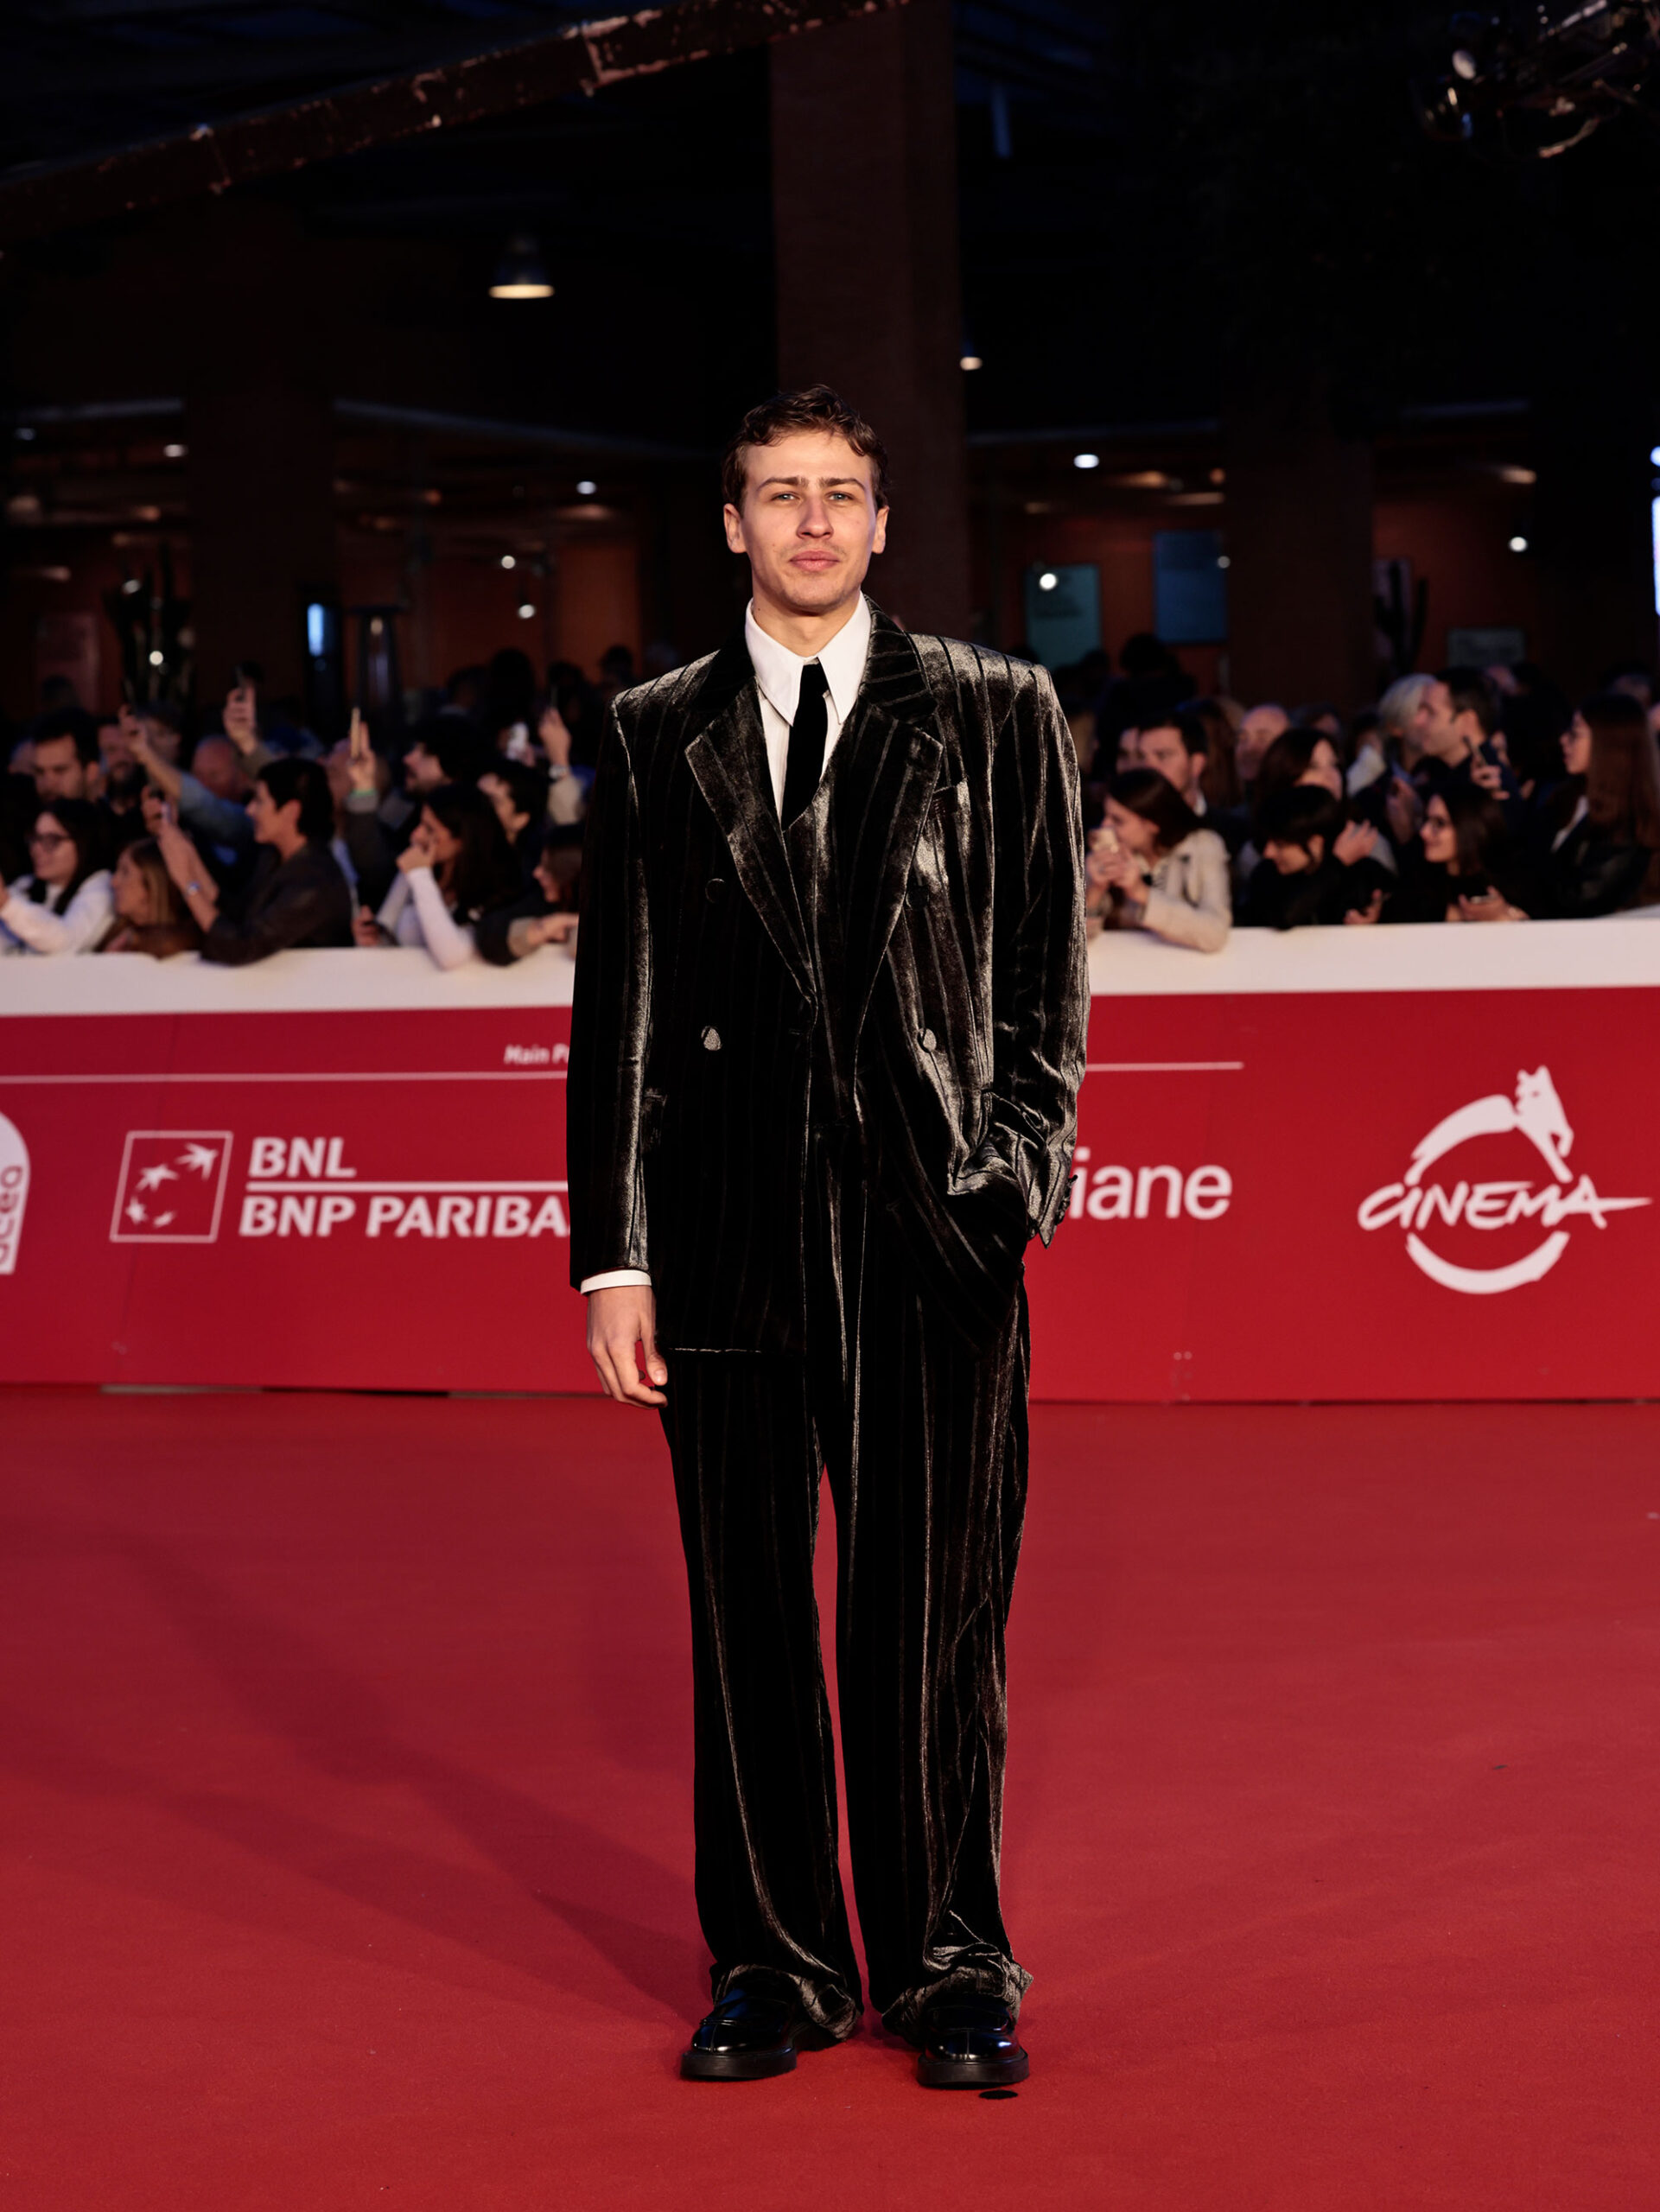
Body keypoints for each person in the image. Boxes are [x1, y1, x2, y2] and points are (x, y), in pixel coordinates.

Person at [568, 385, 1087, 2093]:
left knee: (932, 1618)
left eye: (840, 493)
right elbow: (617, 1007)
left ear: (880, 521)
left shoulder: (999, 709)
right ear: (731, 523)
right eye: (780, 493)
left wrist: (1008, 1184)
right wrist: (614, 1255)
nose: (811, 520)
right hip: (720, 1235)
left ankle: (950, 1965)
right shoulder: (653, 729)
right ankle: (774, 1964)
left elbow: (1041, 983)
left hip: (934, 1238)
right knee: (746, 1624)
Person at [158, 756, 353, 963]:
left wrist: (187, 883)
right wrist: (188, 856)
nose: (249, 810)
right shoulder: (271, 857)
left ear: (290, 811)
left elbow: (242, 947)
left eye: (259, 801)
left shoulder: (314, 884)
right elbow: (234, 915)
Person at [354, 783, 519, 969]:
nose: (416, 835)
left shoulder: (493, 890)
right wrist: (370, 940)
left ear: (462, 840)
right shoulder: (419, 868)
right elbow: (388, 936)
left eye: (430, 829)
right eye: (420, 823)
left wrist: (420, 876)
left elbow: (452, 956)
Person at [1534, 691, 1660, 917]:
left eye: (1576, 733)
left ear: (1608, 745)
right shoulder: (1564, 797)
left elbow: (1582, 898)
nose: (1564, 740)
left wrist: (1515, 910)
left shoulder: (1631, 821)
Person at [1085, 766, 1231, 950]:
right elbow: (1072, 945)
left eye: (1118, 820)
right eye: (1105, 815)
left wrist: (1141, 893)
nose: (1105, 826)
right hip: (1125, 964)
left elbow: (1215, 934)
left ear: (1153, 824)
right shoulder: (1104, 853)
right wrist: (1095, 891)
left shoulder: (1203, 847)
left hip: (1186, 965)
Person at [1239, 785, 1393, 927]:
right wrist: (1336, 865)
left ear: (1315, 843)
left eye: (1280, 844)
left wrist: (1375, 918)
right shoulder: (1266, 875)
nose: (1268, 852)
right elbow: (1284, 916)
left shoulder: (1365, 874)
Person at [1388, 785, 1528, 924]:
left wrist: (1502, 916)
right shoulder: (1415, 881)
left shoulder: (1513, 882)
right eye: (1427, 820)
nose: (1424, 832)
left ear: (1470, 827)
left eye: (1439, 823)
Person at [0, 798, 114, 954]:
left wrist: (6, 905)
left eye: (51, 840)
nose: (36, 849)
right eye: (35, 838)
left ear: (83, 842)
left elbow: (67, 943)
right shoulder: (25, 885)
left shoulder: (101, 887)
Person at [475, 839, 580, 965]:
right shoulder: (541, 899)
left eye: (548, 869)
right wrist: (557, 922)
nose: (537, 873)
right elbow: (490, 939)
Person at [99, 836, 202, 957]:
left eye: (125, 872)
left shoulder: (187, 945)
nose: (113, 882)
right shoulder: (112, 929)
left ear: (151, 883)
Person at [1135, 709, 1211, 813]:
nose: (1148, 766)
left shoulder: (1226, 823)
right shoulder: (1118, 821)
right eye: (1141, 756)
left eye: (1162, 756)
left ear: (1196, 764)